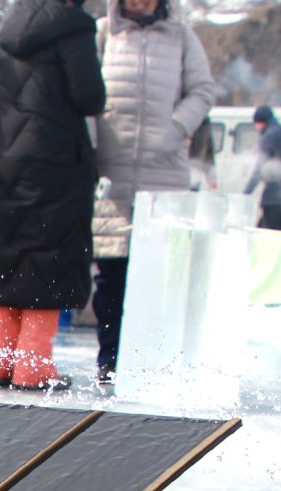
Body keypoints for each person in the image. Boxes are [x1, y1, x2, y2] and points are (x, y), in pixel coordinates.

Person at [0, 0, 106, 393]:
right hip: (55, 160)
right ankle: (33, 366)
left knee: (10, 254)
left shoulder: (7, 29)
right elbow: (89, 97)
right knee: (50, 256)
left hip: (6, 156)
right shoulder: (73, 27)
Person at [89, 0, 212, 384]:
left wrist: (175, 129)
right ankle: (109, 358)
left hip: (164, 175)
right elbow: (84, 91)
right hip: (111, 176)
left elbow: (203, 90)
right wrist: (93, 141)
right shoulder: (103, 33)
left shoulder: (181, 35)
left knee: (159, 276)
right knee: (111, 275)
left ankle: (152, 361)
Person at [246, 105, 281, 231]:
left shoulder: (268, 136)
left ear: (260, 122)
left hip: (273, 195)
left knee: (272, 230)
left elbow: (260, 167)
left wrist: (247, 192)